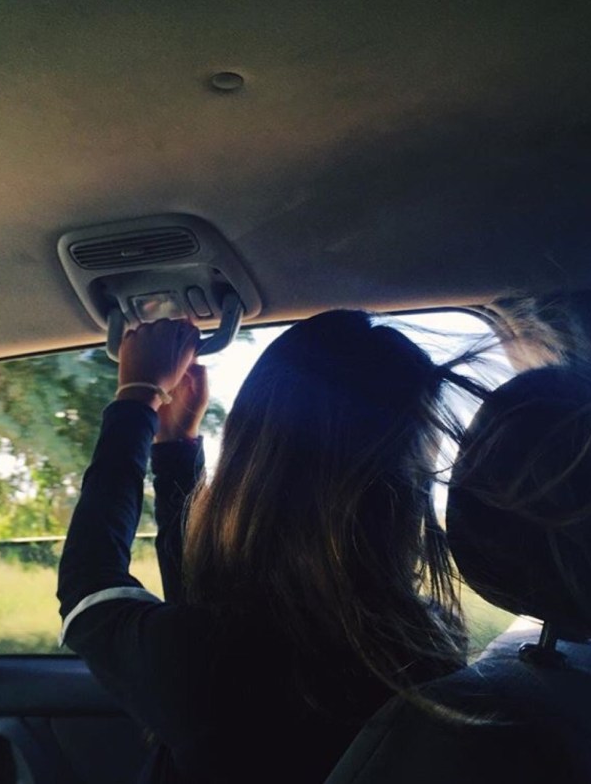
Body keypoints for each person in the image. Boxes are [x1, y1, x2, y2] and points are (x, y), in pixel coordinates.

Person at [57, 310, 477, 784]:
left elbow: (88, 586)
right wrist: (174, 448)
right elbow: (203, 605)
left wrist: (137, 398)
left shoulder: (211, 661)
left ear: (253, 466)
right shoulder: (426, 648)